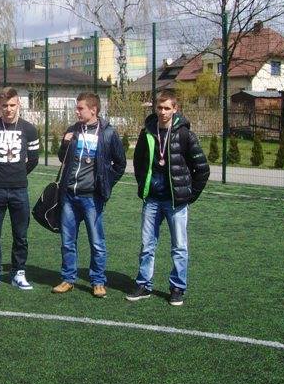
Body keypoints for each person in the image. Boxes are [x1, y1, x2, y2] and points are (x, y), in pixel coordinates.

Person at [127, 91, 209, 306]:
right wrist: (143, 186)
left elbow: (202, 168)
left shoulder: (185, 135)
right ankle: (144, 284)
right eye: (159, 108)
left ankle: (177, 288)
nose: (163, 112)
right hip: (152, 200)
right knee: (147, 245)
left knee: (179, 247)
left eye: (167, 108)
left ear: (175, 109)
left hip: (176, 202)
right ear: (155, 108)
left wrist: (189, 195)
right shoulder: (147, 132)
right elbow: (138, 163)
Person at [52, 92, 125, 298]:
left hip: (92, 198)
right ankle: (68, 279)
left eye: (80, 108)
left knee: (96, 242)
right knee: (67, 242)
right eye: (77, 108)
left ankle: (98, 281)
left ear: (93, 110)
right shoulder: (73, 130)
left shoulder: (108, 133)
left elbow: (120, 164)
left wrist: (105, 183)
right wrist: (65, 144)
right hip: (69, 196)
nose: (76, 111)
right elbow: (63, 158)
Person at [0, 87, 39, 290]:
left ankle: (18, 272)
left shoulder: (29, 129)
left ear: (18, 104)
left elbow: (33, 160)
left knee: (20, 235)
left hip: (19, 189)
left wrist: (18, 173)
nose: (9, 109)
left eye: (12, 105)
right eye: (5, 105)